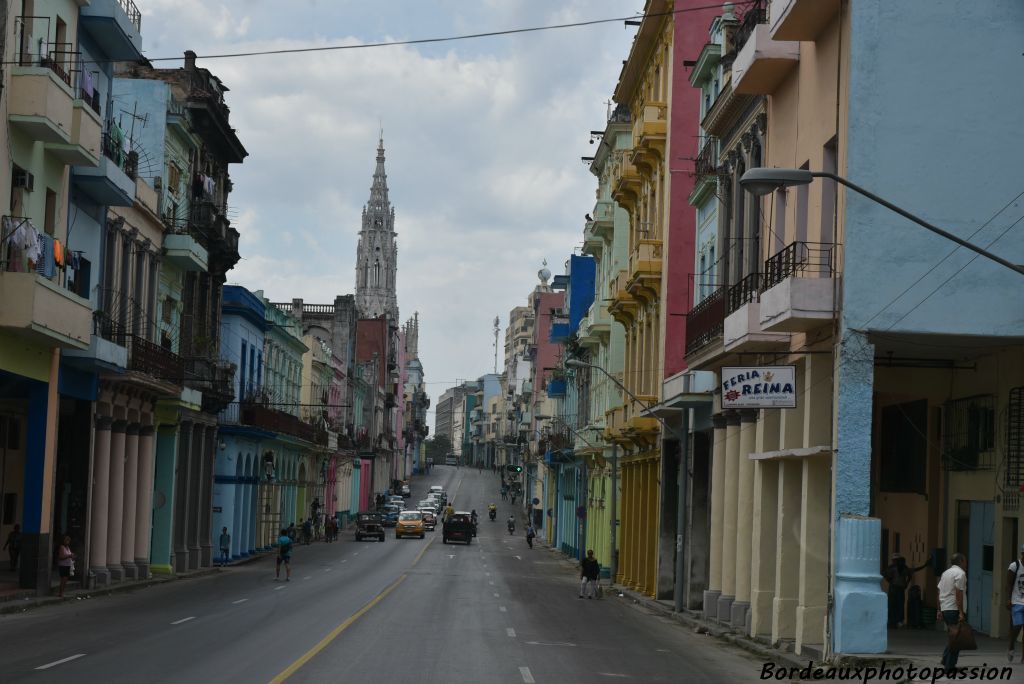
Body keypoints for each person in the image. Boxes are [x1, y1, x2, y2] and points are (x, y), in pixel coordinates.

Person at [938, 553, 968, 675]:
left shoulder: (945, 573)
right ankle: (949, 667)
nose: (966, 563)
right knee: (956, 639)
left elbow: (939, 591)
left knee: (953, 637)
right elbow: (958, 593)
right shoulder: (960, 574)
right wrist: (961, 612)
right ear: (961, 561)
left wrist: (939, 610)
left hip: (945, 608)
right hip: (953, 609)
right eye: (965, 560)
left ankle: (946, 660)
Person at [884, 552, 931, 627]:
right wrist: (890, 580)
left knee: (899, 604)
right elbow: (885, 574)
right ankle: (892, 621)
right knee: (892, 604)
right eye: (895, 560)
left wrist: (906, 583)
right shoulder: (892, 568)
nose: (897, 562)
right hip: (894, 587)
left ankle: (898, 620)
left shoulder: (903, 568)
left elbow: (911, 573)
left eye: (898, 560)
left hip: (899, 588)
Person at [1007, 544, 1024, 662]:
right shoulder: (1015, 566)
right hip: (1017, 601)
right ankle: (1011, 645)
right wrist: (1008, 599)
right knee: (1017, 626)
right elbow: (1008, 584)